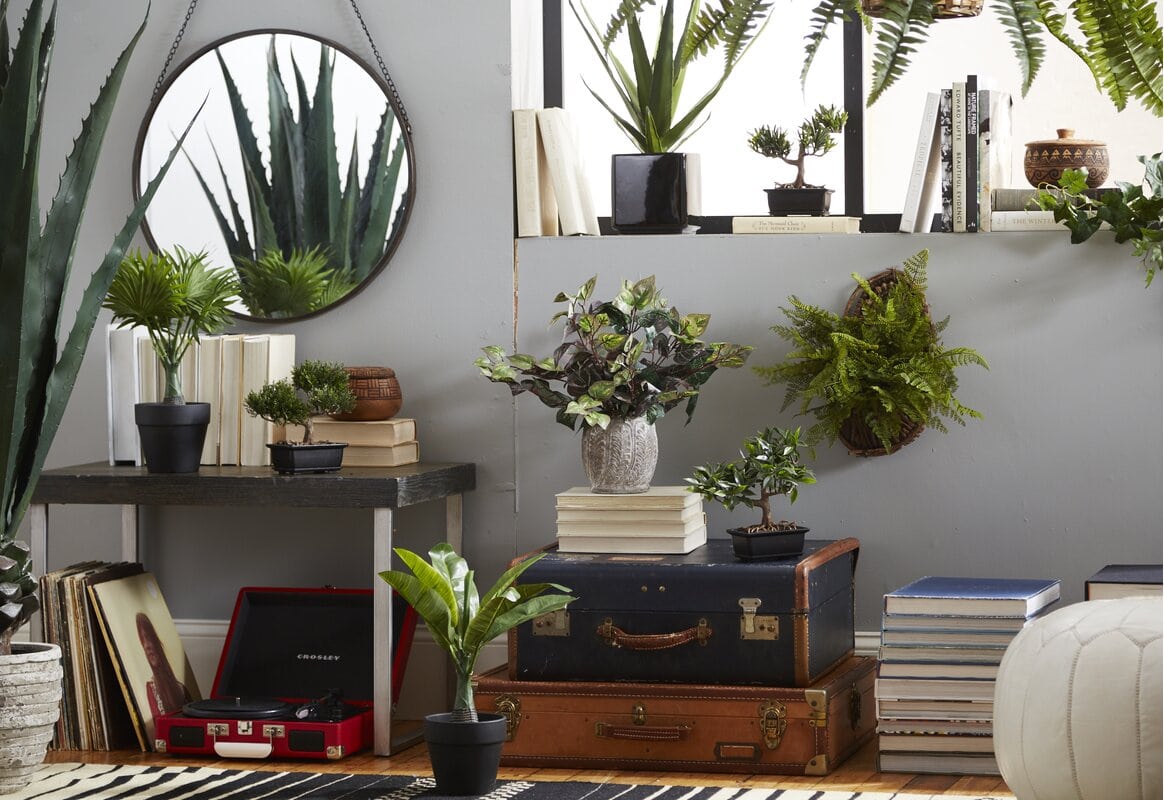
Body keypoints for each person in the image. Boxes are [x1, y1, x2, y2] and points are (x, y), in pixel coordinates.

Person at [136, 612, 191, 718]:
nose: (147, 646)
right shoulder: (151, 689)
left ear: (157, 641)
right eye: (143, 641)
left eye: (148, 638)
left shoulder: (182, 689)